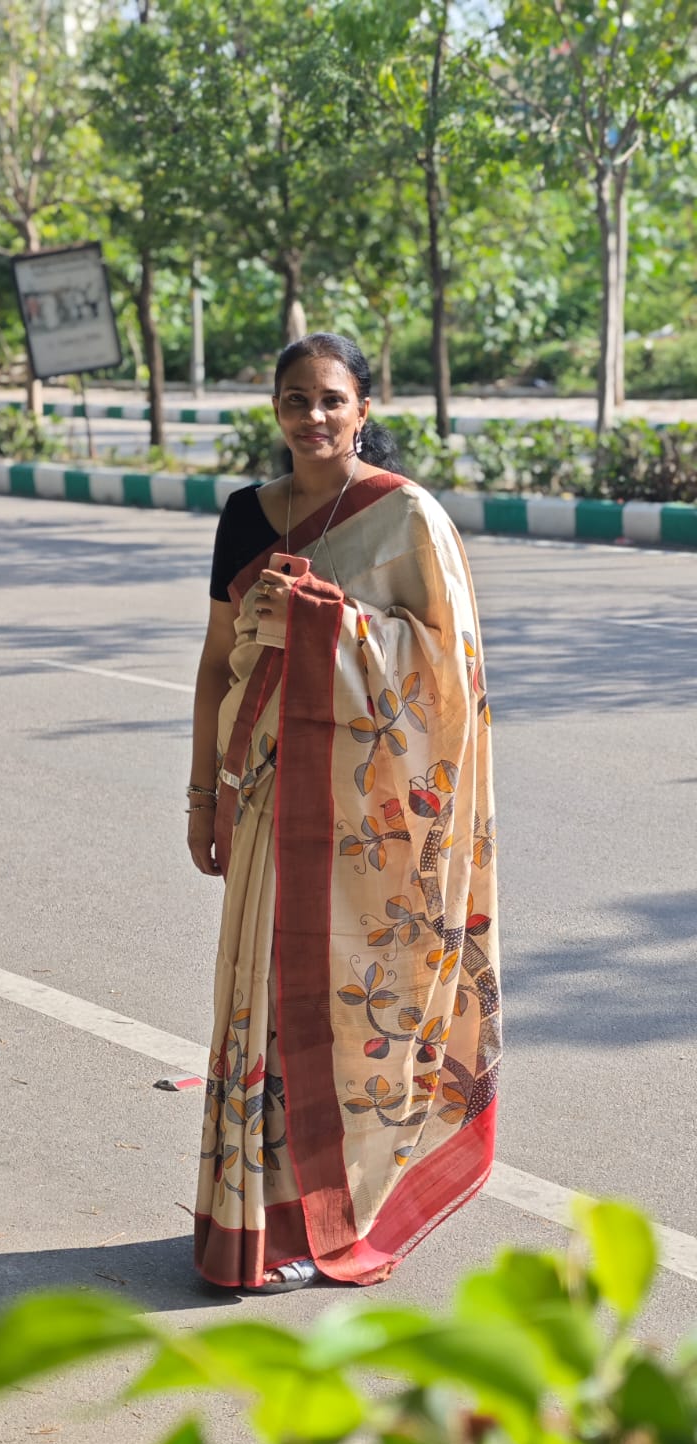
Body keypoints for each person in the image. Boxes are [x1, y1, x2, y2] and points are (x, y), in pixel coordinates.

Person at [189, 332, 500, 1292]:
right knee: (265, 994)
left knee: (355, 999)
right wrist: (204, 790)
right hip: (270, 791)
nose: (312, 417)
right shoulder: (247, 517)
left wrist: (334, 624)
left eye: (331, 399)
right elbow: (214, 664)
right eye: (294, 399)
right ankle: (259, 1216)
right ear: (274, 410)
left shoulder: (406, 518)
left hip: (370, 819)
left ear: (365, 407)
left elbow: (450, 677)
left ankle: (342, 1206)